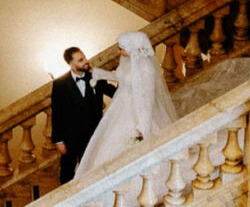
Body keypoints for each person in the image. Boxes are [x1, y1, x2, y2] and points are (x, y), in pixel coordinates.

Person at [74, 30, 179, 179]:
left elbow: (148, 98)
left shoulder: (146, 68)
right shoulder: (128, 61)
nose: (119, 50)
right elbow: (120, 77)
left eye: (121, 47)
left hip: (138, 110)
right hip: (121, 106)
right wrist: (98, 73)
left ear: (132, 48)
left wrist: (143, 125)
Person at [49, 46, 116, 183]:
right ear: (71, 64)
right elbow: (57, 113)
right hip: (71, 137)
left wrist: (129, 84)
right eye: (80, 60)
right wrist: (58, 140)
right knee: (67, 173)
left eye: (84, 57)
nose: (86, 61)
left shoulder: (95, 77)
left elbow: (113, 92)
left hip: (94, 133)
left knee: (92, 170)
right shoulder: (60, 84)